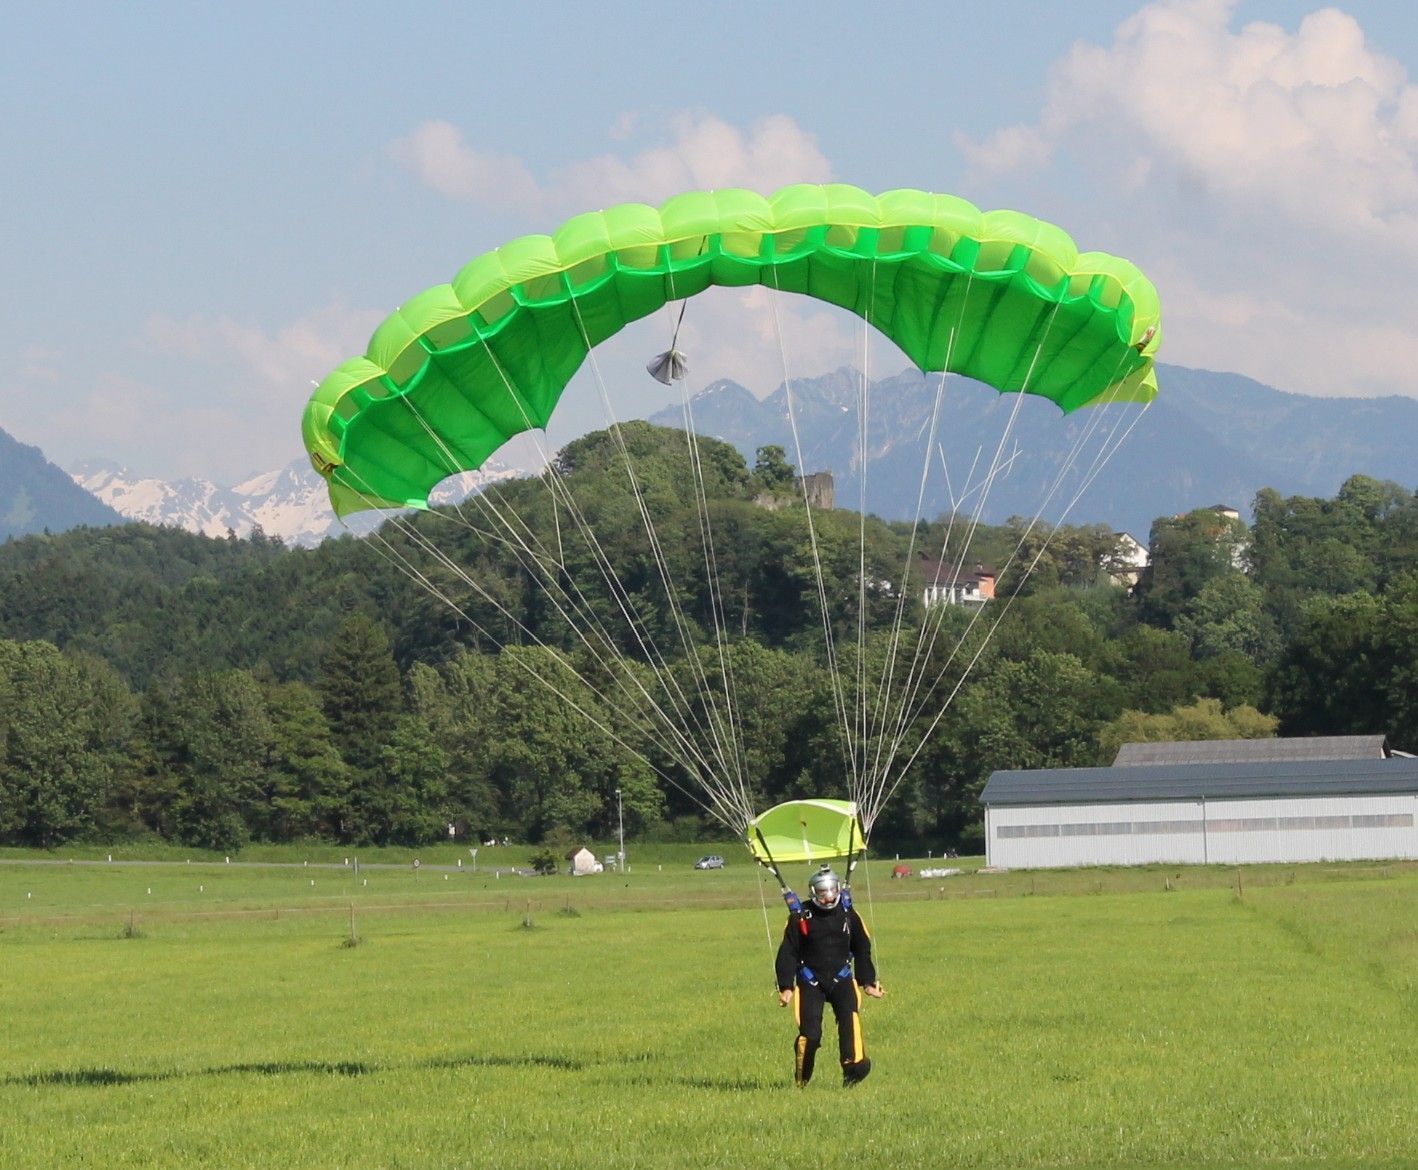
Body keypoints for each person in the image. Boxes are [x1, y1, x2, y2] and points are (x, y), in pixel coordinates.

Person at [775, 866, 884, 1087]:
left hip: (842, 978)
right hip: (810, 980)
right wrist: (786, 986)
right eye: (822, 892)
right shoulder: (800, 916)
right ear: (813, 892)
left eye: (832, 890)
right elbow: (787, 952)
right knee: (810, 1034)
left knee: (849, 1018)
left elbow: (862, 948)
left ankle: (854, 1069)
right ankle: (801, 1079)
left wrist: (868, 982)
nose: (829, 896)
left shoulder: (848, 913)